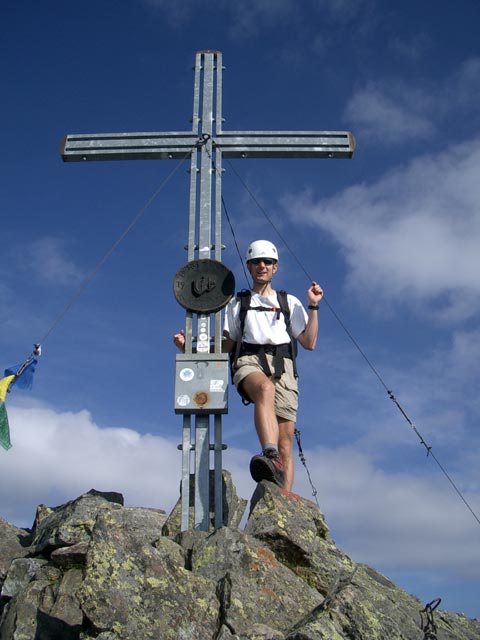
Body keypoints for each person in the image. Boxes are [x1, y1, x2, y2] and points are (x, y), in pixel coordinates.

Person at [173, 239, 323, 492]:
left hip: (284, 367)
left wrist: (314, 305)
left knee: (286, 441)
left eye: (267, 262)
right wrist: (189, 347)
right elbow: (227, 345)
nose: (262, 266)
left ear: (275, 267)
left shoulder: (290, 302)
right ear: (249, 267)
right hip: (249, 361)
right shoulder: (238, 303)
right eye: (256, 262)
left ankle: (284, 499)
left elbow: (309, 342)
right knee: (264, 390)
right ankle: (269, 453)